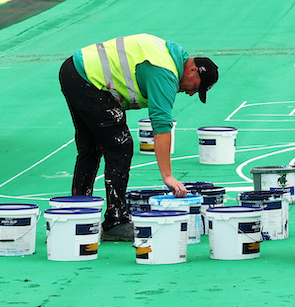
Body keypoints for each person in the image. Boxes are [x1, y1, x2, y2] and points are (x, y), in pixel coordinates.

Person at [58, 34, 219, 242]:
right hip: (88, 79)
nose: (190, 93)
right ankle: (115, 221)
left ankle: (77, 215)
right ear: (192, 70)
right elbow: (161, 126)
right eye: (195, 87)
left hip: (75, 71)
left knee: (91, 147)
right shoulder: (165, 73)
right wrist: (167, 176)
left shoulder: (169, 55)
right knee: (120, 146)